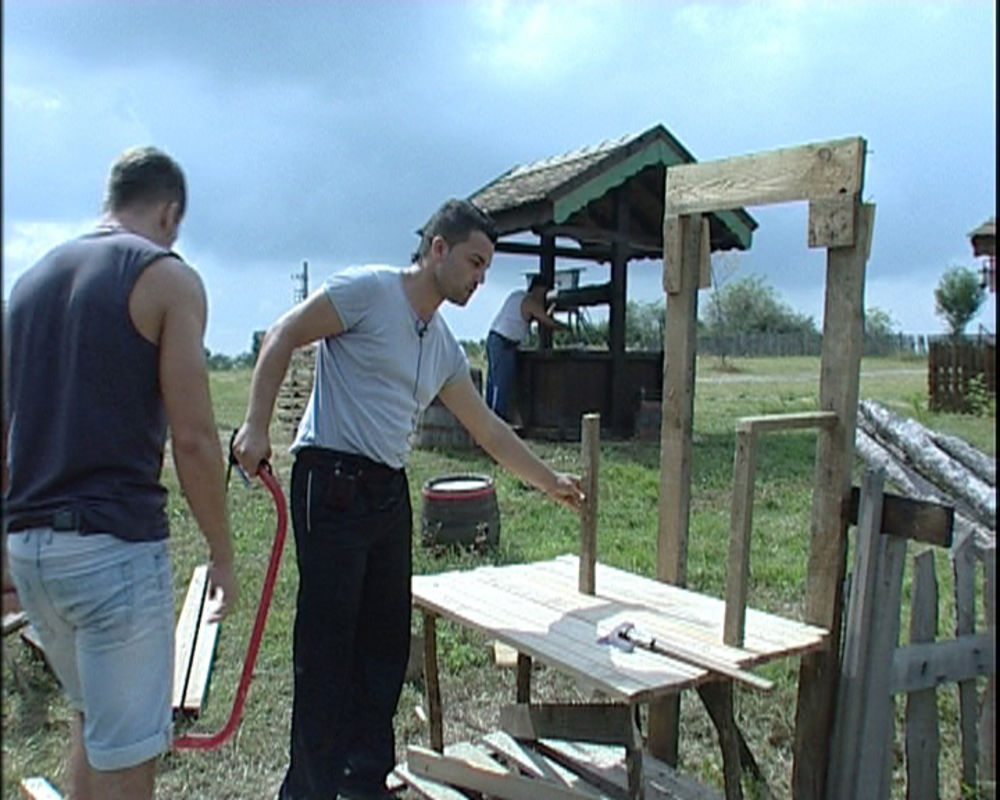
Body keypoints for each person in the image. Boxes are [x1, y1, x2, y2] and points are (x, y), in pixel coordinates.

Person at [233, 198, 584, 800]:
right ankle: (309, 791)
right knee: (327, 651)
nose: (480, 278)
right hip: (332, 480)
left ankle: (364, 781)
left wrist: (549, 480)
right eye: (474, 261)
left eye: (486, 268)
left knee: (384, 649)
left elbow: (489, 431)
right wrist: (256, 426)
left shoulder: (443, 345)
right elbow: (284, 334)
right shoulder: (368, 292)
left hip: (387, 493)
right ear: (438, 250)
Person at [3, 146, 238, 800]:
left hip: (31, 550)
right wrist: (221, 553)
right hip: (111, 551)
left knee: (92, 724)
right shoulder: (166, 278)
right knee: (130, 760)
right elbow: (192, 438)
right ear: (169, 213)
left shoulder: (28, 284)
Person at [485, 275, 569, 423]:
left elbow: (537, 316)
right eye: (544, 291)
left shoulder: (517, 295)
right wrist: (565, 328)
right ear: (538, 289)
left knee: (494, 382)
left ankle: (489, 421)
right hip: (504, 343)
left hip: (496, 339)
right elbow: (546, 321)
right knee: (502, 383)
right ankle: (497, 422)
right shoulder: (529, 301)